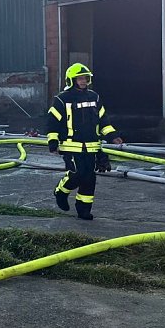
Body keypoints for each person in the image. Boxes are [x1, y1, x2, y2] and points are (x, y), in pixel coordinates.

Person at [47, 63, 123, 221]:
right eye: (80, 78)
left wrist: (112, 135)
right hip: (71, 146)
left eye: (86, 78)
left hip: (92, 146)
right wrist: (53, 141)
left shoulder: (94, 97)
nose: (83, 81)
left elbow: (103, 120)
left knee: (89, 178)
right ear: (71, 80)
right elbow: (52, 123)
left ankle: (83, 210)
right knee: (77, 173)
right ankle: (61, 191)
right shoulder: (62, 99)